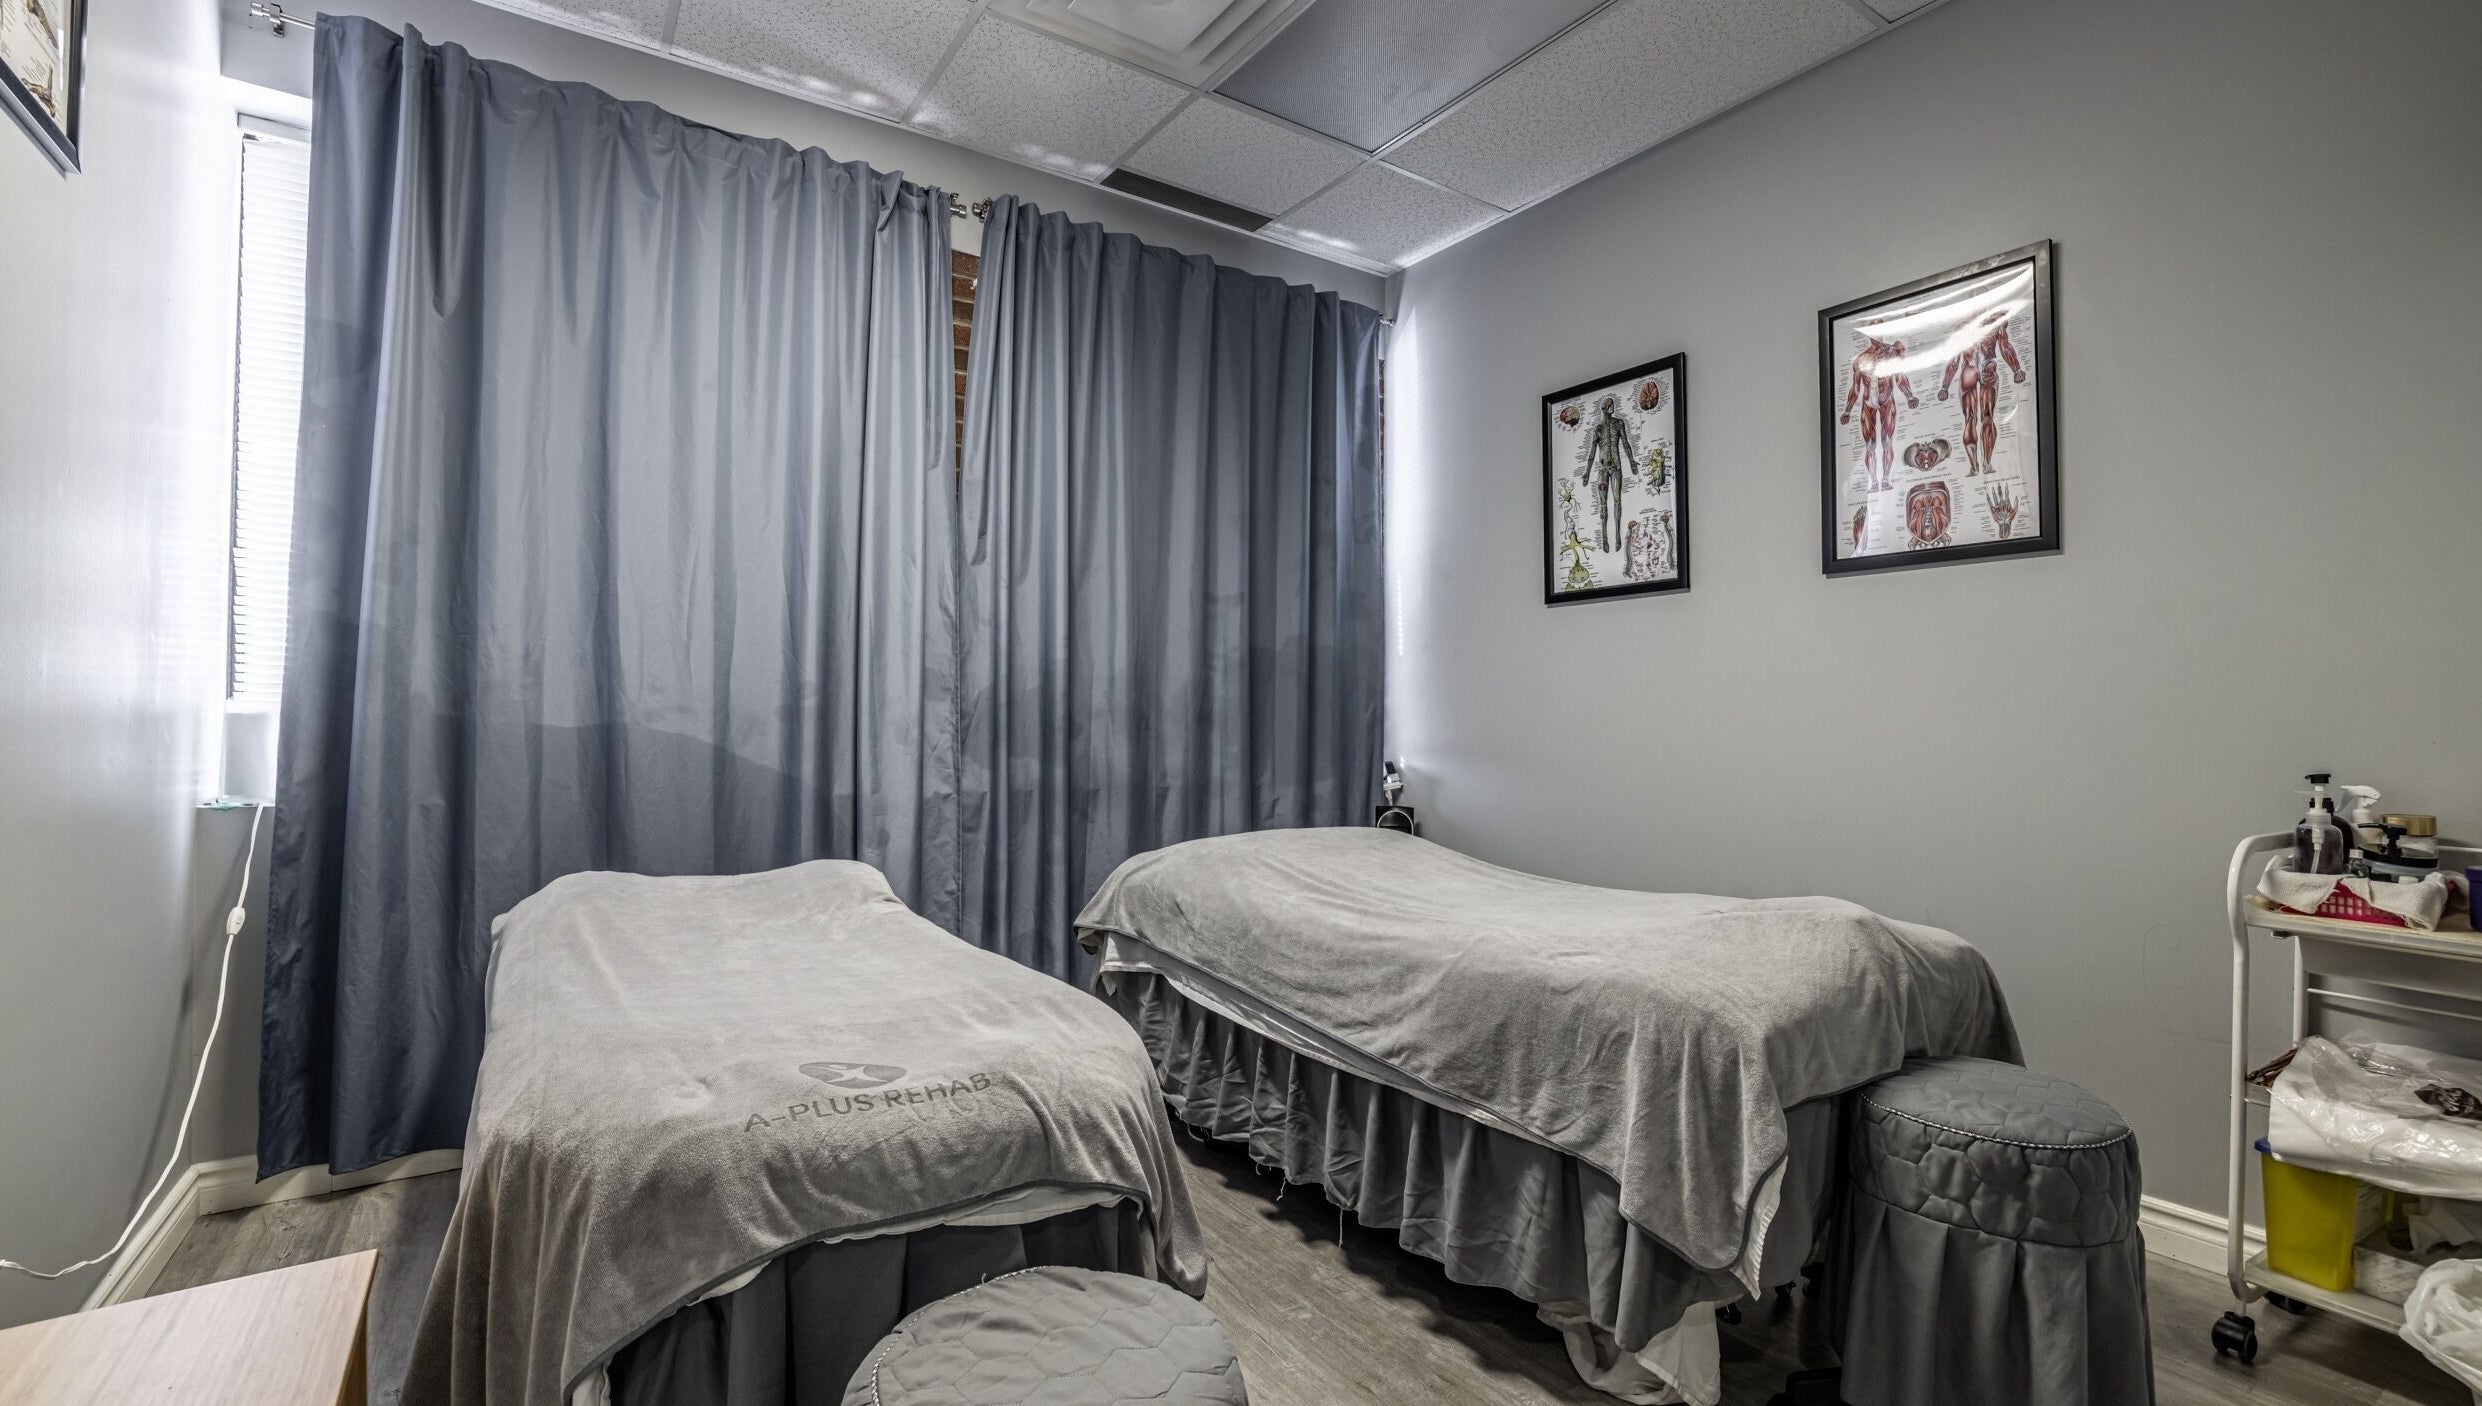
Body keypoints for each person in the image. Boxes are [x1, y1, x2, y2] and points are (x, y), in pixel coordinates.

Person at [1939, 308, 2027, 475]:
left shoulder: (1973, 326)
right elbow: (2004, 347)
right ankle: (1981, 465)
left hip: (1975, 371)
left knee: (1976, 417)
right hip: (1983, 369)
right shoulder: (1989, 324)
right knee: (1981, 417)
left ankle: (1980, 465)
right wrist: (2016, 370)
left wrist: (2016, 369)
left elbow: (2004, 347)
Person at [1839, 332, 1920, 492]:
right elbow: (1856, 387)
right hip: (1868, 402)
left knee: (1887, 442)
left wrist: (1909, 396)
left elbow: (1899, 376)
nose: (1878, 337)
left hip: (1886, 400)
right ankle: (1874, 482)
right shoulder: (1861, 359)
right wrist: (1847, 411)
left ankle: (1885, 480)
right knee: (1870, 445)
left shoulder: (1892, 353)